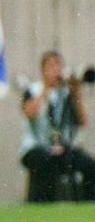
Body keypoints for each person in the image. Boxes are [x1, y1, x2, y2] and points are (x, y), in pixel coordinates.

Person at [20, 51, 95, 202]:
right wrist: (46, 88)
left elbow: (82, 121)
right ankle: (39, 205)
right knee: (43, 162)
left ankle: (88, 204)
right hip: (37, 146)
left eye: (58, 66)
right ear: (43, 70)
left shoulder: (66, 92)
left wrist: (76, 93)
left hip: (63, 147)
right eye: (51, 66)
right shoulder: (33, 90)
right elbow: (28, 113)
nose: (56, 70)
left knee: (88, 164)